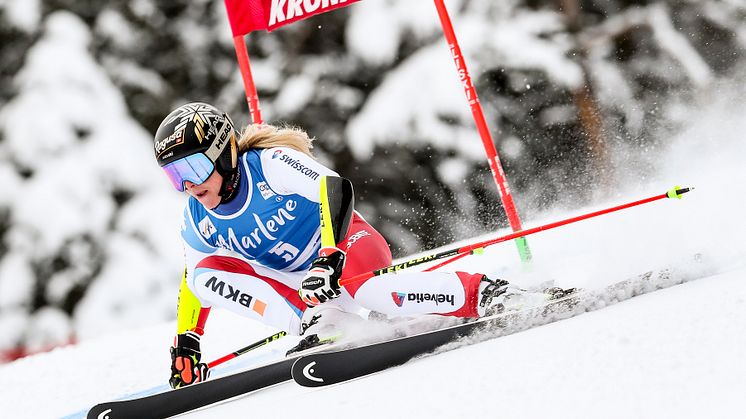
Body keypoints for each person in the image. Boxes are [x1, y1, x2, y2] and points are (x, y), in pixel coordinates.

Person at [154, 102, 566, 389]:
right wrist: (187, 340)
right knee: (204, 273)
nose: (188, 185)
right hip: (303, 287)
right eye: (175, 177)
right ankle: (321, 322)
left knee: (366, 289)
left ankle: (488, 292)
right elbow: (197, 278)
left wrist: (329, 256)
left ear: (223, 152)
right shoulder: (196, 216)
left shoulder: (269, 165)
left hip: (346, 246)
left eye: (193, 167)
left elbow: (333, 187)